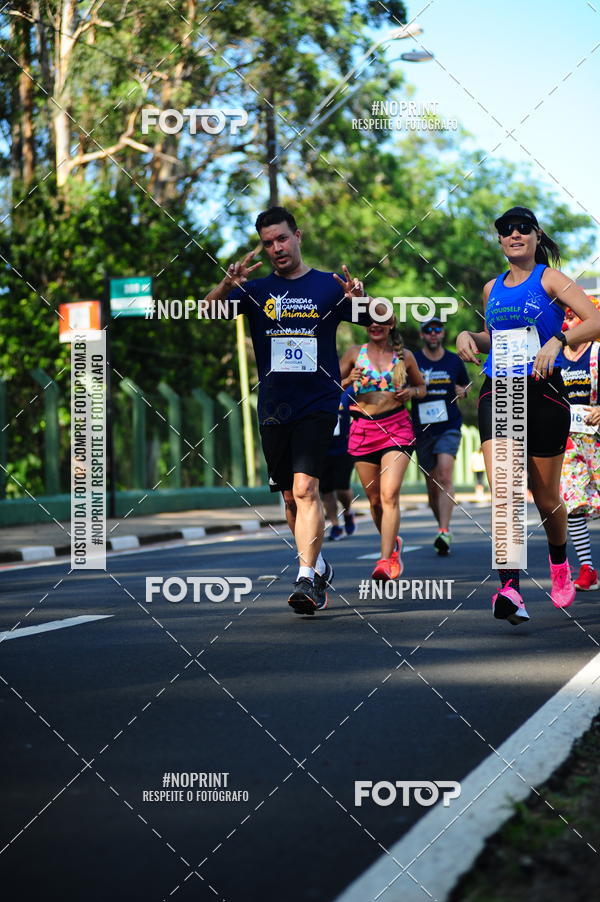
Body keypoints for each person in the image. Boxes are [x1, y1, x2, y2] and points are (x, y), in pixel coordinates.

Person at [205, 206, 373, 616]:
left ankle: (305, 577)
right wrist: (225, 285)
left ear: (298, 236)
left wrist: (362, 300)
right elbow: (207, 312)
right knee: (290, 497)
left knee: (305, 488)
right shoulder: (256, 290)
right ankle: (317, 564)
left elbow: (372, 321)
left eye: (282, 238)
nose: (276, 248)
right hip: (275, 407)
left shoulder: (330, 286)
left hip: (319, 402)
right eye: (267, 243)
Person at [457, 205, 600, 625]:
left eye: (523, 228)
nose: (514, 234)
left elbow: (596, 320)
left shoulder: (551, 279)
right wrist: (470, 336)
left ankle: (559, 564)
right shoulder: (491, 288)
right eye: (506, 229)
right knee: (503, 490)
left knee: (546, 497)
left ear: (537, 236)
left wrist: (559, 339)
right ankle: (510, 588)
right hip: (498, 391)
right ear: (499, 239)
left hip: (544, 395)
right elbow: (494, 337)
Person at [339, 316, 426, 580]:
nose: (375, 326)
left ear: (390, 326)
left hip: (396, 428)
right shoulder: (355, 353)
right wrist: (347, 381)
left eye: (381, 322)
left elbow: (422, 386)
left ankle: (386, 560)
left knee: (389, 494)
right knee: (375, 501)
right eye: (370, 322)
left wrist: (412, 392)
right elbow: (327, 385)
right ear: (366, 326)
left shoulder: (405, 356)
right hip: (362, 430)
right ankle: (394, 544)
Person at [411, 317, 469, 554]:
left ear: (443, 333)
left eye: (437, 329)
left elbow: (465, 385)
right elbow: (402, 385)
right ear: (423, 335)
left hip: (449, 425)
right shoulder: (413, 360)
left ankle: (444, 531)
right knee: (432, 485)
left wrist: (462, 391)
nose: (433, 334)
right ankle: (440, 526)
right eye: (428, 330)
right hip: (422, 428)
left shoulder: (453, 361)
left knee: (445, 475)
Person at [559, 298, 600, 590]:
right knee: (571, 502)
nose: (566, 323)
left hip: (597, 439)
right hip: (568, 440)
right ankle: (587, 568)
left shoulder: (598, 351)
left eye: (572, 316)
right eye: (563, 317)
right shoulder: (555, 355)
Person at [320, 387, 357, 541]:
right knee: (326, 490)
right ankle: (335, 525)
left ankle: (348, 512)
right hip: (322, 450)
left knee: (342, 487)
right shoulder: (315, 391)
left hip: (345, 448)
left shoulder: (348, 392)